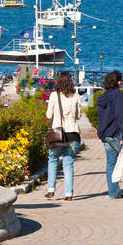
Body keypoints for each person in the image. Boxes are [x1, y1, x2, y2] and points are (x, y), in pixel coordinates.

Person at [45, 71, 81, 200]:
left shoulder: (54, 96)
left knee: (53, 160)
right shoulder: (76, 96)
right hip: (73, 134)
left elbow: (48, 115)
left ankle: (51, 190)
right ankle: (68, 194)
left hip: (57, 134)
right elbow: (78, 116)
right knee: (68, 163)